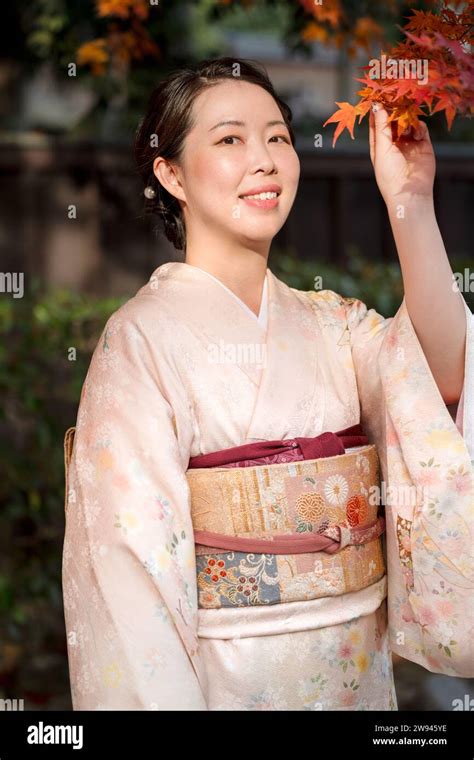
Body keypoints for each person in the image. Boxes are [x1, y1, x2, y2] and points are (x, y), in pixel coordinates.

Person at [62, 57, 473, 711]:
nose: (266, 160)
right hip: (226, 676)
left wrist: (410, 203)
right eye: (230, 139)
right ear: (170, 174)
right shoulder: (141, 340)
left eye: (279, 137)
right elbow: (128, 566)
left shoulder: (333, 322)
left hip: (354, 669)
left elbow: (443, 381)